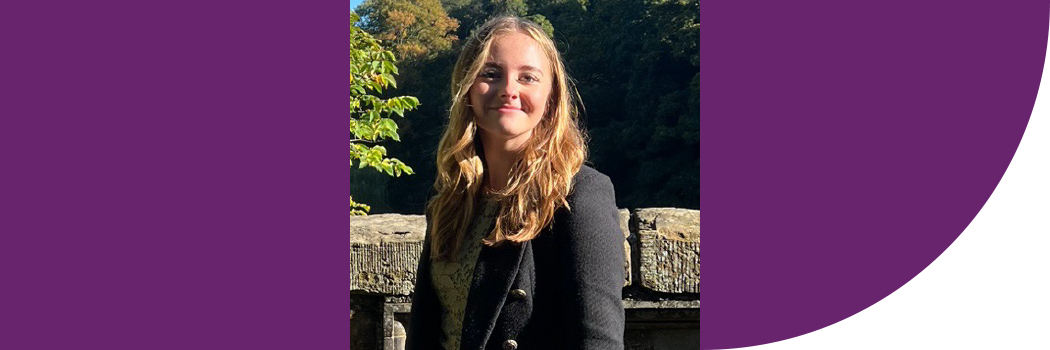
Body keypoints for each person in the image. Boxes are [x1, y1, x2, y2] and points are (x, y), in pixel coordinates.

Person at [405, 16, 626, 350]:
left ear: (551, 98)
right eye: (491, 74)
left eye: (528, 77)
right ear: (466, 87)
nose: (508, 89)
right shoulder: (450, 194)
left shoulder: (578, 194)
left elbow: (598, 341)